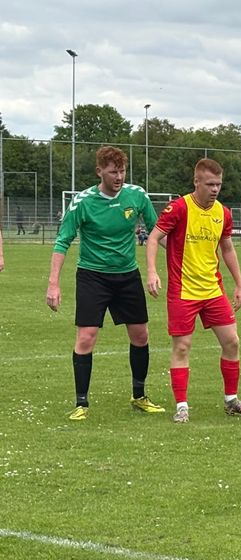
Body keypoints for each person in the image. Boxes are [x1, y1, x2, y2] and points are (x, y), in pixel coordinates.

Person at [45, 145, 165, 420]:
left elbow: (158, 232)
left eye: (122, 171)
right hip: (92, 276)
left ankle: (139, 395)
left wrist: (185, 253)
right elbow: (63, 241)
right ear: (100, 171)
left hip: (127, 275)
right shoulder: (83, 201)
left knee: (141, 335)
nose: (119, 176)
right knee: (86, 337)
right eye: (113, 172)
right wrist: (53, 283)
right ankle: (81, 404)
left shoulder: (137, 196)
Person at [146, 158, 241, 423]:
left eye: (218, 184)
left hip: (213, 290)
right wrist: (152, 271)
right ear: (197, 182)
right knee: (182, 347)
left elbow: (227, 249)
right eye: (210, 184)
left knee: (232, 341)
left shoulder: (223, 213)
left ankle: (231, 400)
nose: (215, 189)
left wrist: (239, 283)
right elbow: (153, 238)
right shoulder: (179, 208)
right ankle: (182, 406)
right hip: (183, 291)